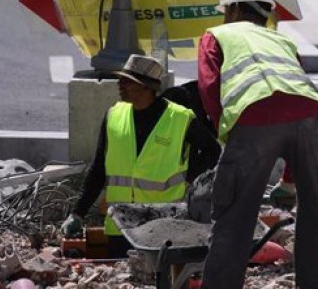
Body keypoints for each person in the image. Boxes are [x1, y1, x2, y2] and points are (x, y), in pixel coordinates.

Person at [198, 0, 318, 289]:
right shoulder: (281, 40)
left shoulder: (217, 34)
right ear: (265, 13)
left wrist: (227, 133)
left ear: (231, 10)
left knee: (235, 215)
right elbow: (292, 97)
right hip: (310, 114)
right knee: (313, 209)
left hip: (255, 115)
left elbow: (208, 86)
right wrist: (289, 180)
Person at [61, 54, 221, 258]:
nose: (120, 84)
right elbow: (98, 170)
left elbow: (213, 151)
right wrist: (77, 213)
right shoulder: (114, 116)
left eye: (127, 81)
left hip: (163, 225)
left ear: (146, 86)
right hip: (121, 225)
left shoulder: (180, 118)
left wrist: (190, 180)